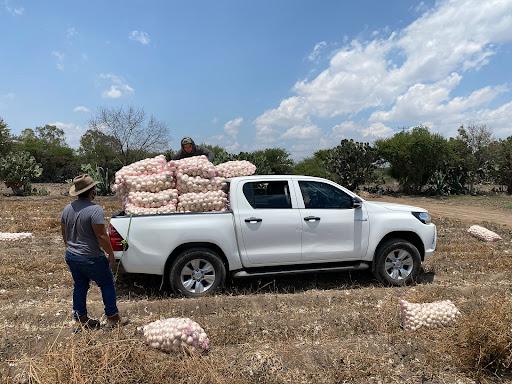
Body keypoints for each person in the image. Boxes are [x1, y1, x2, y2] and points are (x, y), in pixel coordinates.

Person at [60, 174, 128, 330]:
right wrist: (111, 254)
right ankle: (113, 317)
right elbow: (102, 235)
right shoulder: (95, 210)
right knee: (107, 283)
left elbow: (64, 231)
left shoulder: (67, 208)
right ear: (92, 191)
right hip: (91, 256)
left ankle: (81, 318)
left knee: (80, 286)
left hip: (72, 255)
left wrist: (69, 246)